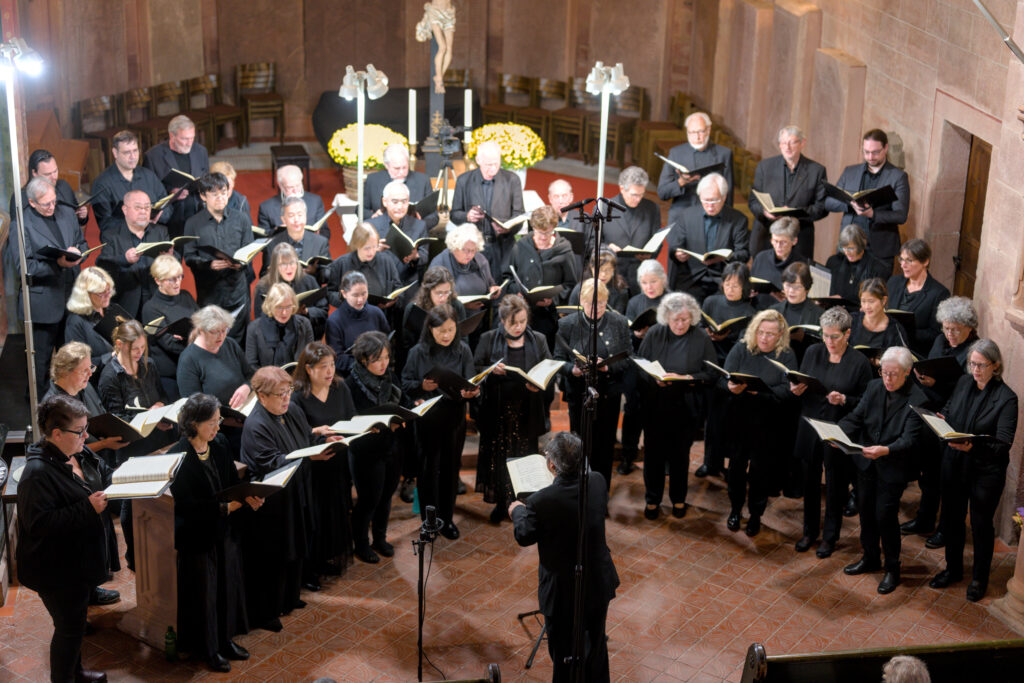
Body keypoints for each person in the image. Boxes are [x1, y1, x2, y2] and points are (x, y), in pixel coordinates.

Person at [509, 431, 619, 683]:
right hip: (596, 580)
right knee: (596, 645)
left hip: (562, 590)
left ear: (551, 465)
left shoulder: (540, 501)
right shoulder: (598, 481)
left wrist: (517, 511)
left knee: (563, 653)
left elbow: (524, 535)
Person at [16, 394, 110, 683]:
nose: (86, 435)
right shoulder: (37, 473)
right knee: (69, 629)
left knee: (75, 625)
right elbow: (39, 525)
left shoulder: (69, 455)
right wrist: (87, 508)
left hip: (73, 564)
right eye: (79, 431)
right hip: (54, 571)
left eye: (86, 428)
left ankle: (77, 673)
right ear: (56, 434)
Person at [170, 393, 257, 672]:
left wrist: (249, 496)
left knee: (226, 588)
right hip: (197, 536)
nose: (218, 428)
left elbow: (232, 482)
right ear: (193, 424)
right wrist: (224, 509)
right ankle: (208, 649)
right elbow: (185, 504)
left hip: (223, 531)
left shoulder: (218, 444)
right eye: (212, 423)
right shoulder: (178, 455)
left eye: (219, 421)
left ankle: (225, 640)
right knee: (204, 595)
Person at [930, 339, 1018, 602]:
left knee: (980, 525)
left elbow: (1003, 443)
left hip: (985, 470)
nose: (975, 370)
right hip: (955, 463)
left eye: (981, 365)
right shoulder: (964, 383)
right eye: (972, 364)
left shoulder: (1007, 398)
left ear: (996, 366)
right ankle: (953, 569)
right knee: (952, 519)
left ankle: (980, 578)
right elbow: (949, 409)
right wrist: (942, 420)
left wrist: (972, 448)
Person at [239, 367, 323, 630]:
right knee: (274, 557)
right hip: (273, 503)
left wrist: (320, 437)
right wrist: (309, 455)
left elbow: (305, 437)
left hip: (296, 494)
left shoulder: (291, 411)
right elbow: (272, 463)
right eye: (280, 394)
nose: (287, 398)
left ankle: (290, 597)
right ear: (261, 396)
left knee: (297, 546)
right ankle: (267, 612)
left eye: (289, 392)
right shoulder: (256, 425)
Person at [42, 344, 126, 604]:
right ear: (67, 371)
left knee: (94, 534)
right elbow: (68, 445)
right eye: (85, 369)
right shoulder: (55, 403)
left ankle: (90, 589)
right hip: (70, 480)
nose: (90, 373)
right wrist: (103, 445)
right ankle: (80, 599)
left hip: (88, 471)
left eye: (91, 367)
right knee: (79, 541)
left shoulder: (79, 390)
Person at [838, 346, 924, 594]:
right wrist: (836, 433)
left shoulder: (917, 399)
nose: (887, 379)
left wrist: (885, 450)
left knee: (885, 517)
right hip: (866, 463)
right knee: (865, 511)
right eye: (884, 372)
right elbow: (856, 417)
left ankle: (892, 568)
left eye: (894, 374)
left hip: (893, 466)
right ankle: (870, 557)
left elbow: (909, 439)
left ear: (907, 372)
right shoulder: (874, 387)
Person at [790, 306, 873, 558]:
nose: (829, 341)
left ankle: (830, 536)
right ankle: (809, 532)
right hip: (810, 425)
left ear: (847, 334)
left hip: (839, 429)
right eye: (825, 335)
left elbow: (866, 401)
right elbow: (802, 381)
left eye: (834, 336)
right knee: (810, 481)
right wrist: (796, 388)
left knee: (836, 485)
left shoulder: (859, 362)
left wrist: (845, 399)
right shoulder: (813, 352)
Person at [905, 296, 980, 546]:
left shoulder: (974, 351)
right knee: (928, 474)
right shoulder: (939, 340)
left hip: (954, 421)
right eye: (946, 328)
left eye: (955, 329)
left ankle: (945, 529)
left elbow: (968, 391)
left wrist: (936, 384)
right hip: (930, 415)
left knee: (947, 480)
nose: (949, 334)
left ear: (969, 328)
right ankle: (924, 519)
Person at [401, 304, 479, 538]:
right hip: (427, 420)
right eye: (441, 331)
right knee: (427, 473)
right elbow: (405, 383)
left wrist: (471, 393)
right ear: (430, 329)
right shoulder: (418, 352)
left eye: (451, 330)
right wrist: (420, 387)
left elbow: (472, 382)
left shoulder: (463, 350)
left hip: (454, 418)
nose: (446, 335)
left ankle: (446, 520)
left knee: (449, 471)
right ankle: (429, 522)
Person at [636, 292, 716, 519]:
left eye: (685, 319)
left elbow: (711, 373)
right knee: (653, 456)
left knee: (680, 456)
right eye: (675, 320)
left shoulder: (701, 337)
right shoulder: (655, 334)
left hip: (686, 407)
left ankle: (678, 499)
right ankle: (652, 499)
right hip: (656, 405)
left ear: (692, 317)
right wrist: (655, 378)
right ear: (666, 318)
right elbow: (641, 366)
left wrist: (689, 378)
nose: (680, 324)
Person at [719, 309, 797, 536]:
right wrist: (729, 387)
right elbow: (723, 379)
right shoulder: (742, 348)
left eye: (771, 334)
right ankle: (735, 509)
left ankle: (755, 515)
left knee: (760, 474)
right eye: (761, 332)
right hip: (739, 419)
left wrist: (762, 394)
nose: (764, 338)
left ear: (780, 334)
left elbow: (788, 392)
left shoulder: (787, 355)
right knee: (735, 470)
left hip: (768, 424)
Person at [474, 295, 551, 522]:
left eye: (523, 321)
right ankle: (501, 502)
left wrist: (539, 384)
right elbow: (477, 368)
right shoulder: (488, 339)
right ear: (502, 321)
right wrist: (490, 370)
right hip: (498, 409)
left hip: (527, 408)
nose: (519, 327)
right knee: (500, 458)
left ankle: (523, 502)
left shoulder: (538, 339)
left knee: (525, 457)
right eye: (513, 323)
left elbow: (549, 367)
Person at [9, 176, 88, 395]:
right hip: (42, 303)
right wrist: (58, 263)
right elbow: (24, 268)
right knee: (40, 366)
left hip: (70, 299)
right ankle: (41, 414)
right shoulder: (21, 224)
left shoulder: (65, 214)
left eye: (54, 201)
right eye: (46, 204)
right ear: (32, 202)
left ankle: (70, 406)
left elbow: (81, 241)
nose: (52, 207)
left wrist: (79, 252)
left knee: (71, 361)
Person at [555, 278, 631, 488]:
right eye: (590, 303)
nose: (596, 308)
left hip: (608, 394)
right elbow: (558, 359)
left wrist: (608, 367)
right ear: (581, 301)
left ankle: (600, 492)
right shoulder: (567, 324)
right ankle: (579, 490)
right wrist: (573, 369)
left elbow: (628, 358)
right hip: (578, 394)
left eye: (600, 303)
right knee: (578, 445)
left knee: (604, 445)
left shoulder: (619, 322)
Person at [291, 342, 357, 573]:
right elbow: (299, 435)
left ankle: (331, 557)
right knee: (316, 515)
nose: (330, 372)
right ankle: (312, 567)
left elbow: (351, 419)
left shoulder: (341, 388)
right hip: (315, 465)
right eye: (323, 367)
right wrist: (320, 439)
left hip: (338, 461)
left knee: (336, 512)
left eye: (332, 365)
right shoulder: (298, 397)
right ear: (309, 369)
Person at [343, 334, 404, 562]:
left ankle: (380, 538)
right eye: (377, 359)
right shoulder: (350, 385)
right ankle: (361, 544)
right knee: (369, 499)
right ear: (363, 360)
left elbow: (402, 402)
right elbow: (348, 420)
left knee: (387, 496)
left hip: (392, 446)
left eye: (387, 357)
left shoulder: (390, 377)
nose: (383, 364)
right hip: (365, 451)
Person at [696, 262, 757, 480]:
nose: (730, 288)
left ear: (745, 287)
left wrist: (727, 337)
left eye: (736, 285)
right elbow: (700, 326)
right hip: (712, 365)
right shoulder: (711, 301)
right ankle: (710, 463)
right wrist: (708, 333)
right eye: (727, 283)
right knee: (712, 420)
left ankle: (731, 465)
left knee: (731, 421)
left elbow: (748, 345)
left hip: (733, 368)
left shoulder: (750, 312)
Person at [182, 172, 256, 342]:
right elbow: (189, 257)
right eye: (214, 194)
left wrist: (241, 264)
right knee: (211, 339)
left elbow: (250, 250)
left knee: (237, 341)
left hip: (237, 291)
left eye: (223, 192)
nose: (220, 198)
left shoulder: (241, 219)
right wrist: (209, 265)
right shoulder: (193, 223)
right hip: (209, 293)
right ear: (203, 196)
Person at [824, 129, 910, 269]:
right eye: (866, 152)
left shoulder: (898, 177)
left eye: (875, 152)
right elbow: (828, 202)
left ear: (886, 148)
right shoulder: (850, 172)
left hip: (879, 249)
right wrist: (850, 204)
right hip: (849, 245)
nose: (870, 157)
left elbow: (901, 215)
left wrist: (872, 214)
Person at [504, 205, 579, 350]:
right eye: (539, 232)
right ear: (533, 227)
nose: (544, 237)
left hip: (549, 317)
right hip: (522, 314)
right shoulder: (520, 246)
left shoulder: (564, 249)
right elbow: (508, 277)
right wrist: (517, 292)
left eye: (548, 232)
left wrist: (553, 300)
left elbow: (570, 283)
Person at [620, 259, 670, 475]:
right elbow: (627, 332)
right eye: (645, 282)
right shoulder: (634, 302)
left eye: (653, 281)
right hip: (638, 365)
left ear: (663, 280)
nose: (649, 286)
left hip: (664, 363)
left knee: (660, 415)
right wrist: (636, 334)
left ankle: (661, 459)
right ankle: (628, 456)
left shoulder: (671, 301)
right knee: (632, 412)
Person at [666, 172, 750, 301]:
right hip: (692, 278)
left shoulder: (738, 219)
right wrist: (678, 254)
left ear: (724, 197)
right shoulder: (687, 215)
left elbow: (743, 254)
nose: (710, 206)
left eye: (714, 200)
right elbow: (675, 246)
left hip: (722, 281)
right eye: (705, 200)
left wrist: (723, 257)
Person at [747, 125, 828, 257]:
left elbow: (821, 208)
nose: (787, 147)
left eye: (792, 142)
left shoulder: (816, 171)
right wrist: (765, 212)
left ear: (802, 143)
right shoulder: (764, 167)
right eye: (784, 143)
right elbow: (753, 202)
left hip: (799, 238)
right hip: (766, 235)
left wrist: (795, 213)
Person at [450, 140, 525, 276]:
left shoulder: (512, 180)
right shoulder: (464, 180)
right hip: (473, 247)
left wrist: (507, 227)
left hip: (503, 246)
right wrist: (467, 216)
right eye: (488, 164)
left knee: (502, 289)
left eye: (496, 163)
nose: (493, 169)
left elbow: (519, 215)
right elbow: (454, 214)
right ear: (478, 160)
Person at [95, 189, 173, 319]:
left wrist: (170, 259)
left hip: (156, 300)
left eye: (147, 208)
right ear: (125, 210)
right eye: (138, 208)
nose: (143, 211)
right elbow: (103, 266)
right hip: (126, 302)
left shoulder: (160, 232)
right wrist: (124, 259)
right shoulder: (111, 235)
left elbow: (173, 264)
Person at [657, 111, 735, 228]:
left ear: (708, 130)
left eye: (700, 132)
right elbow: (662, 193)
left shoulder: (724, 154)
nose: (696, 137)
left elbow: (728, 195)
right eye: (692, 132)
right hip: (681, 216)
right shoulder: (676, 153)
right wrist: (681, 182)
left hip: (712, 218)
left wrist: (725, 224)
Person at [176, 306, 253, 419]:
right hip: (217, 422)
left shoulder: (230, 344)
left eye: (224, 330)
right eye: (215, 332)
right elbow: (193, 405)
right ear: (201, 330)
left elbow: (251, 375)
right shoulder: (188, 359)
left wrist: (246, 387)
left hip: (244, 412)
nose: (221, 336)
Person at [140, 254, 199, 399]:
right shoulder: (150, 308)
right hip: (172, 373)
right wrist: (198, 341)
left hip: (194, 363)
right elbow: (170, 344)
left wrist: (188, 338)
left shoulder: (185, 296)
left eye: (180, 277)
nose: (177, 282)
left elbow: (202, 323)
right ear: (158, 280)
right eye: (172, 279)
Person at [143, 114, 211, 239]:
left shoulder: (201, 151)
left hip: (197, 213)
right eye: (184, 139)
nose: (189, 143)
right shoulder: (153, 156)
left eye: (192, 138)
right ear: (172, 136)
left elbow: (207, 180)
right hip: (170, 215)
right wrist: (171, 193)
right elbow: (148, 191)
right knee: (173, 257)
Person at [601, 166, 662, 296]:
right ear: (622, 188)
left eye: (641, 194)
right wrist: (608, 248)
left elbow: (657, 240)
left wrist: (651, 254)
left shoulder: (652, 208)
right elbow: (593, 242)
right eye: (634, 195)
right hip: (613, 273)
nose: (638, 199)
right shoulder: (604, 208)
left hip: (641, 276)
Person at [90, 131, 167, 233]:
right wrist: (136, 223)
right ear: (115, 153)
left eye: (135, 151)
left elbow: (167, 206)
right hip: (122, 243)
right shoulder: (101, 184)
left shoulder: (149, 176)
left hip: (153, 236)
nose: (133, 157)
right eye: (127, 152)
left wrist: (159, 216)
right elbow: (105, 224)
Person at [886, 238, 950, 355]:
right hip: (888, 346)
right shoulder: (893, 282)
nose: (903, 265)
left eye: (909, 261)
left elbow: (936, 333)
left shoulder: (939, 293)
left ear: (925, 261)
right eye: (901, 259)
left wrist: (905, 332)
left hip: (915, 351)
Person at [254, 242, 328, 339]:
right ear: (275, 266)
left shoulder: (309, 280)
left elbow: (323, 311)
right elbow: (260, 320)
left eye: (292, 263)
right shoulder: (264, 286)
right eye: (283, 264)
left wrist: (306, 311)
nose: (289, 268)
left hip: (305, 337)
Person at [326, 271, 390, 375]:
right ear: (344, 293)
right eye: (355, 295)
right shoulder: (334, 321)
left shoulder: (376, 313)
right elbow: (337, 359)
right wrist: (366, 364)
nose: (360, 300)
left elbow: (387, 341)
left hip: (379, 371)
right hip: (351, 376)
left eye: (364, 293)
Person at [327, 223, 402, 311]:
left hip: (382, 316)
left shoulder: (386, 261)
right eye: (367, 248)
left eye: (375, 247)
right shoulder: (341, 263)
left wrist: (394, 300)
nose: (371, 252)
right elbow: (330, 293)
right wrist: (348, 302)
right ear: (357, 245)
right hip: (351, 317)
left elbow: (398, 287)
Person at [368, 180, 430, 284]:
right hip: (379, 282)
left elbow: (425, 256)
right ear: (385, 202)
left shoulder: (420, 225)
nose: (400, 207)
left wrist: (415, 256)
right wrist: (374, 250)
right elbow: (358, 259)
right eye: (395, 202)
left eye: (404, 201)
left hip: (409, 283)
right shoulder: (371, 226)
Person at [364, 143, 437, 229]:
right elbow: (361, 209)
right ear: (386, 165)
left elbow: (434, 216)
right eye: (397, 168)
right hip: (381, 230)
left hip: (414, 232)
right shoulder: (373, 180)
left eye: (405, 167)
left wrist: (420, 224)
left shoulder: (422, 180)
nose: (401, 172)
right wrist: (374, 216)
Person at [8, 149, 89, 227]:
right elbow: (19, 232)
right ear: (34, 173)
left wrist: (82, 217)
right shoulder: (20, 198)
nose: (54, 177)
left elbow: (76, 218)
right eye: (47, 174)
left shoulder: (64, 186)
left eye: (55, 171)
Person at [64, 266, 116, 383]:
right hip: (96, 383)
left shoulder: (111, 310)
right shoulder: (75, 322)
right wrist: (110, 357)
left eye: (109, 290)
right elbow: (77, 365)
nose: (108, 295)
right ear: (86, 294)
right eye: (102, 293)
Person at [244, 283, 314, 370]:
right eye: (279, 307)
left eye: (288, 307)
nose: (284, 312)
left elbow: (310, 358)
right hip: (267, 381)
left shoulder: (304, 324)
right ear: (270, 306)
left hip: (297, 379)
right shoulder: (254, 328)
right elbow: (251, 366)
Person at [259, 195, 331, 279]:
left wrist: (316, 272)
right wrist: (276, 272)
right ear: (283, 219)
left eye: (300, 215)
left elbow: (328, 275)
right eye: (291, 215)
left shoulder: (320, 242)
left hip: (310, 289)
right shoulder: (272, 244)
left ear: (305, 216)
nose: (296, 219)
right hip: (282, 289)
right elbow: (263, 275)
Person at [823, 225, 891, 307]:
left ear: (861, 245)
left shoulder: (878, 268)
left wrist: (842, 299)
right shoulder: (834, 262)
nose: (847, 252)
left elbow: (874, 299)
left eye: (851, 248)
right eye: (844, 248)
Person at [750, 216, 806, 310]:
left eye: (783, 242)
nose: (778, 246)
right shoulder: (761, 257)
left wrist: (789, 298)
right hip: (759, 312)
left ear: (794, 241)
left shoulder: (801, 265)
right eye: (775, 241)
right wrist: (749, 292)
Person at [257, 164, 328, 238]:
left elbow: (326, 233)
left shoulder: (315, 201)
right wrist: (277, 232)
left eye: (298, 185)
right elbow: (262, 239)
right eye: (290, 187)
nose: (295, 190)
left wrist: (318, 236)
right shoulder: (267, 208)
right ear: (281, 186)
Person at [771, 262, 820, 363]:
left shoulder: (818, 314)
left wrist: (804, 339)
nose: (791, 291)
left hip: (804, 363)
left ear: (806, 288)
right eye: (788, 286)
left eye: (797, 287)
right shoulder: (773, 310)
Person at [850, 278, 908, 359]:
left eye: (871, 301)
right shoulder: (852, 321)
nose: (867, 306)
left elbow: (903, 360)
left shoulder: (895, 329)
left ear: (884, 300)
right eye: (863, 301)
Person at [568, 248, 629, 314]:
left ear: (613, 270)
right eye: (599, 270)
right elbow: (571, 313)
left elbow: (619, 317)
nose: (603, 274)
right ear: (591, 268)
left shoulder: (621, 290)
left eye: (607, 270)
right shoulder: (580, 288)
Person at [415, 0, 456, 93]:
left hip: (448, 13)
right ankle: (439, 78)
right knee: (443, 47)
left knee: (449, 49)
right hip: (436, 12)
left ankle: (439, 76)